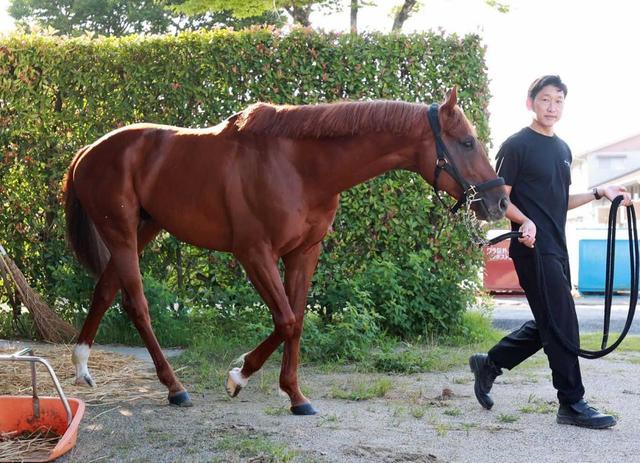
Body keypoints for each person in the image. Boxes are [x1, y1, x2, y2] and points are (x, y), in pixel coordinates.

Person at [470, 75, 632, 429]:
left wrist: (599, 193)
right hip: (530, 248)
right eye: (545, 100)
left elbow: (560, 203)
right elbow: (500, 200)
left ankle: (491, 362)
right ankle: (571, 402)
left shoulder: (562, 150)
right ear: (531, 103)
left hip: (557, 247)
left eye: (558, 101)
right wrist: (524, 221)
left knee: (552, 320)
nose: (552, 107)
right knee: (562, 321)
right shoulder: (517, 145)